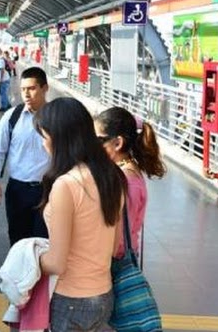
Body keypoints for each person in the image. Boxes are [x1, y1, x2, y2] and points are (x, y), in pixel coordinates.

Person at [34, 97, 127, 331]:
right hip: (103, 296)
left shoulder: (67, 184)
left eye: (44, 137)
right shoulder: (113, 177)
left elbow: (56, 263)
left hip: (71, 300)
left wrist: (28, 257)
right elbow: (116, 246)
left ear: (59, 139)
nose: (43, 145)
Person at [0, 67, 52, 245]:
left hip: (48, 191)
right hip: (18, 191)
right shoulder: (12, 117)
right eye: (23, 89)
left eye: (32, 88)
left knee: (44, 243)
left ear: (45, 88)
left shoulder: (56, 117)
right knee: (18, 242)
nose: (26, 94)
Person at [95, 107, 166, 257]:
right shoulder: (125, 173)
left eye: (99, 140)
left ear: (117, 143)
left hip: (117, 260)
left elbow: (120, 234)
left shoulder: (128, 181)